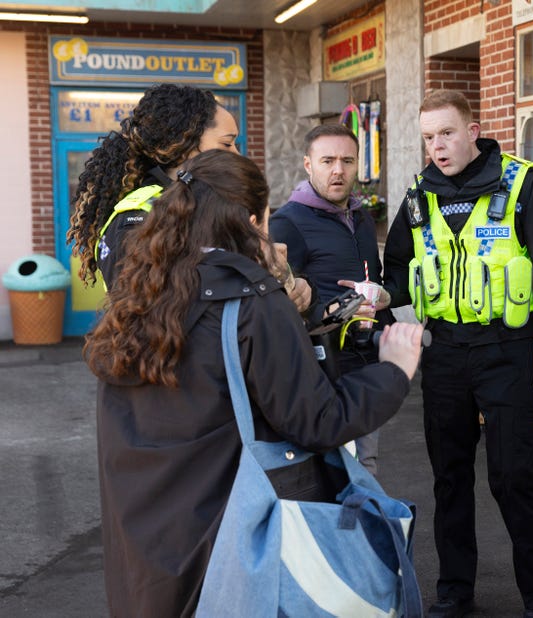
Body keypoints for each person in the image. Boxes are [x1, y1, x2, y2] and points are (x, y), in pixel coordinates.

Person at [84, 149, 424, 617]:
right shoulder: (252, 302)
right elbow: (317, 420)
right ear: (250, 220)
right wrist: (394, 370)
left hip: (145, 543)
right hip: (229, 542)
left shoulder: (137, 296)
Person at [383, 89, 533, 618]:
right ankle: (454, 591)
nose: (437, 146)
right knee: (449, 476)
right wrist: (381, 294)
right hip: (443, 351)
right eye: (427, 137)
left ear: (473, 129)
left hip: (506, 350)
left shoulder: (523, 185)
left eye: (446, 133)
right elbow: (398, 268)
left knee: (514, 476)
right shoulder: (420, 193)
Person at [66, 82, 312, 313]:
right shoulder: (136, 217)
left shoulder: (222, 205)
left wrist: (290, 283)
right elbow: (153, 313)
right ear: (183, 144)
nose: (238, 156)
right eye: (227, 144)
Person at [270, 123, 393, 475]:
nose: (338, 170)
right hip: (323, 369)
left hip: (367, 360)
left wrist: (381, 297)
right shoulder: (287, 223)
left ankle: (357, 530)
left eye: (347, 161)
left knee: (365, 465)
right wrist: (333, 309)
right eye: (327, 161)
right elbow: (283, 304)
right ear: (308, 165)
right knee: (331, 469)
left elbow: (375, 278)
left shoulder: (363, 218)